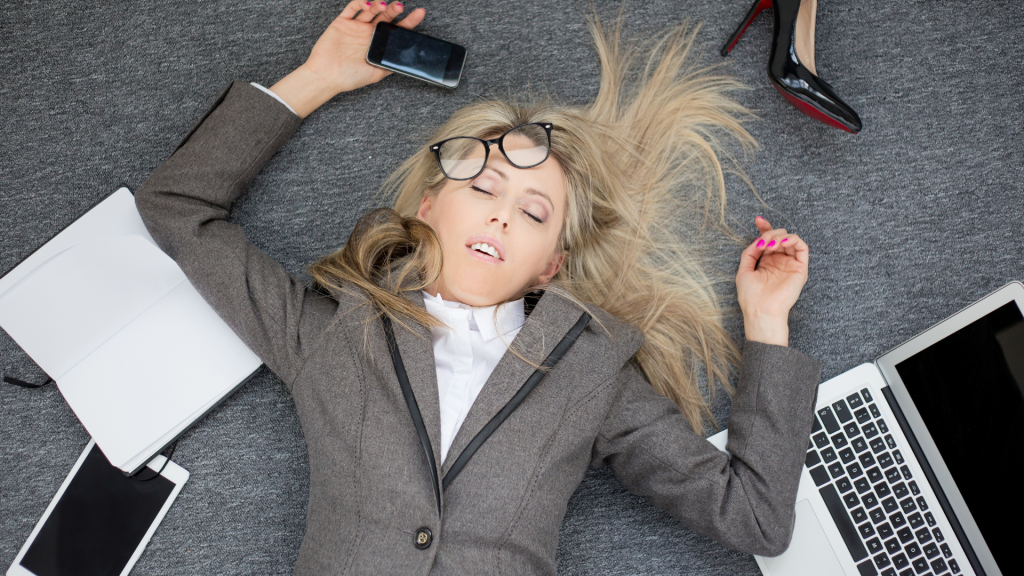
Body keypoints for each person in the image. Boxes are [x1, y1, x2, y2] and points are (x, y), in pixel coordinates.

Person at [134, 2, 822, 574]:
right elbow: (177, 208)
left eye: (533, 212)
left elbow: (754, 517)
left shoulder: (590, 374)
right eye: (485, 185)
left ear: (549, 266)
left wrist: (767, 323)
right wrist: (319, 78)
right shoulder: (331, 330)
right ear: (428, 207)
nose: (500, 211)